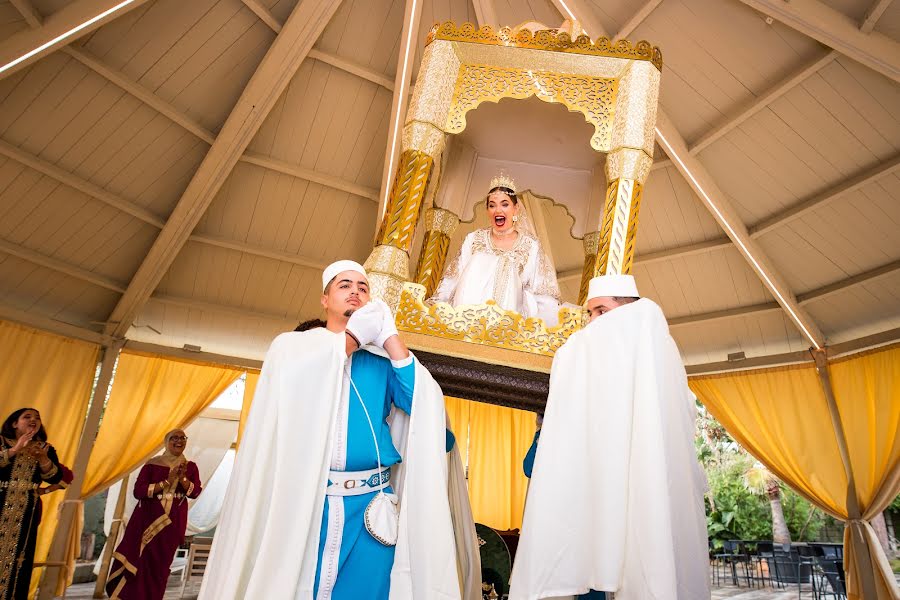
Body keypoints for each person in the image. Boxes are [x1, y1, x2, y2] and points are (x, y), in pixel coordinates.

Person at [199, 260, 474, 600]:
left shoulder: (381, 361)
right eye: (345, 285)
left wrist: (390, 339)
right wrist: (354, 337)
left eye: (363, 287)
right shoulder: (294, 348)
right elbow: (296, 387)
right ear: (325, 299)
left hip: (371, 508)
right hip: (308, 501)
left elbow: (424, 409)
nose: (355, 291)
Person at [509, 274, 710, 600]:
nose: (592, 324)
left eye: (601, 311)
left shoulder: (659, 370)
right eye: (589, 315)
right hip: (594, 537)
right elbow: (535, 466)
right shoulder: (590, 372)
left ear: (630, 311)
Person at [430, 174, 563, 325]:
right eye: (492, 205)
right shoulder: (474, 239)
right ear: (487, 210)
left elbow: (542, 290)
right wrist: (437, 307)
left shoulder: (530, 245)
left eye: (504, 204)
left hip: (507, 325)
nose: (497, 210)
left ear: (516, 208)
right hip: (466, 320)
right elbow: (453, 277)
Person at [106, 429, 202, 600]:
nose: (179, 441)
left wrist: (182, 479)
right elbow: (139, 491)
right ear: (166, 442)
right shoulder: (152, 464)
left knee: (161, 565)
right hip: (147, 519)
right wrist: (167, 481)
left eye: (183, 438)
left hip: (172, 522)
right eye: (174, 438)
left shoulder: (190, 467)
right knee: (141, 561)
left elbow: (195, 492)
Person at [0, 408, 63, 600]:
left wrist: (43, 458)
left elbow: (56, 478)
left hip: (27, 508)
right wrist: (16, 449)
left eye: (37, 418)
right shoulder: (2, 441)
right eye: (27, 417)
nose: (33, 420)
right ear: (14, 423)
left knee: (20, 557)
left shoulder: (45, 448)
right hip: (1, 500)